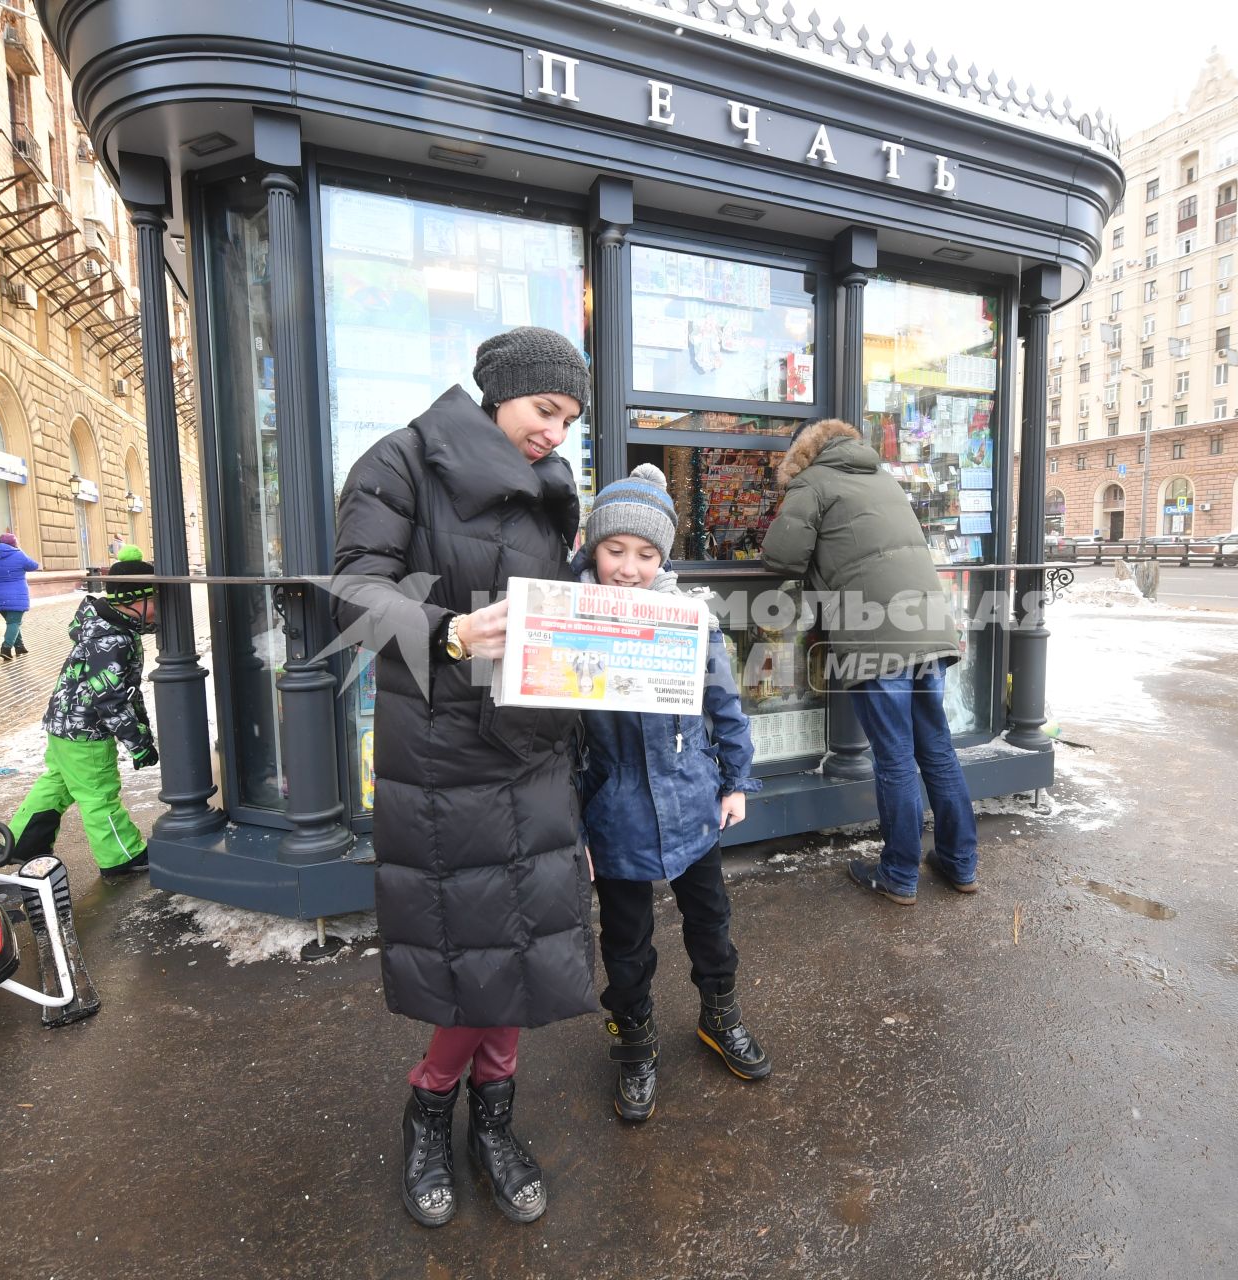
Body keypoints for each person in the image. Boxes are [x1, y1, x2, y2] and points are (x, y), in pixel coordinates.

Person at [331, 326, 594, 1229]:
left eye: (569, 420)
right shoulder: (401, 460)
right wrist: (445, 629)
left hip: (537, 748)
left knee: (527, 950)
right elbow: (353, 593)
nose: (557, 433)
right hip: (446, 752)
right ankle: (428, 1112)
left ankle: (496, 1124)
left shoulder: (554, 491)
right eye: (545, 410)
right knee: (475, 948)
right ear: (499, 393)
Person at [575, 464, 767, 1124]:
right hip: (614, 812)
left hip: (691, 801)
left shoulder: (691, 618)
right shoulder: (565, 620)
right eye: (614, 550)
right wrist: (573, 829)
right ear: (591, 545)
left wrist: (736, 779)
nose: (628, 567)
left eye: (646, 553)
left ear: (663, 558)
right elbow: (550, 743)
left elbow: (725, 702)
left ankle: (720, 1015)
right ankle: (634, 1041)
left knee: (711, 924)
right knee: (626, 943)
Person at [760, 418, 980, 906]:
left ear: (804, 453)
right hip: (929, 627)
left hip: (877, 636)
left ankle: (900, 872)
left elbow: (782, 556)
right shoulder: (883, 478)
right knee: (937, 748)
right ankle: (960, 862)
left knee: (895, 757)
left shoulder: (812, 482)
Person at [7, 546, 158, 880]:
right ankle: (122, 855)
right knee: (98, 794)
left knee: (57, 784)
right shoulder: (115, 639)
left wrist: (140, 731)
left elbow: (120, 693)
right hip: (87, 730)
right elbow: (111, 700)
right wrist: (138, 742)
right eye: (156, 602)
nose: (158, 611)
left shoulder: (102, 626)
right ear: (134, 601)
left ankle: (21, 844)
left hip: (63, 725)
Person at [0, 532, 40, 661]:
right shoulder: (18, 554)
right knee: (14, 622)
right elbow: (34, 566)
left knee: (12, 622)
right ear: (13, 543)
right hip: (17, 595)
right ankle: (6, 648)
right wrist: (19, 550)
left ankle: (19, 646)